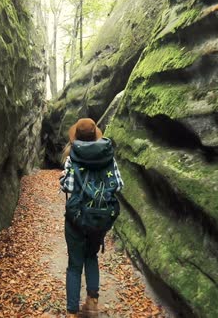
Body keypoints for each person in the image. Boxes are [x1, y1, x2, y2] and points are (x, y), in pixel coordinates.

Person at [59, 118, 124, 317]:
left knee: (74, 264)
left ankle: (72, 312)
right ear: (96, 134)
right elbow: (119, 185)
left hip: (76, 219)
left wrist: (65, 177)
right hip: (99, 219)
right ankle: (93, 303)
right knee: (91, 256)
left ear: (76, 137)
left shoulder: (73, 158)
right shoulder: (108, 158)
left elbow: (67, 186)